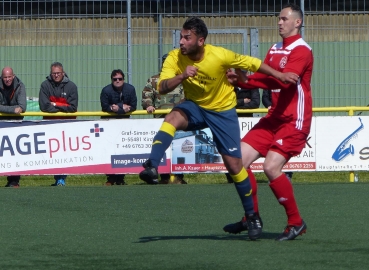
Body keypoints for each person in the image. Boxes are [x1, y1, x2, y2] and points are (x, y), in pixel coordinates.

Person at [138, 17, 298, 241]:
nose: (181, 42)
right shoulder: (175, 57)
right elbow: (162, 88)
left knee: (234, 166)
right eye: (181, 37)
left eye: (187, 38)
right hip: (195, 106)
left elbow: (252, 63)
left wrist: (280, 75)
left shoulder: (220, 55)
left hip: (222, 112)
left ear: (200, 41)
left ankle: (252, 216)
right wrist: (182, 76)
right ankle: (152, 165)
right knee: (172, 116)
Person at [224, 3, 312, 241]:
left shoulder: (302, 50)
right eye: (278, 19)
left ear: (297, 22)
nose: (279, 22)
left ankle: (296, 222)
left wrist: (248, 81)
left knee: (271, 167)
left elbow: (284, 82)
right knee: (237, 162)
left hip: (294, 120)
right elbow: (264, 76)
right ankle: (251, 216)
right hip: (273, 117)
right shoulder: (275, 48)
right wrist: (242, 79)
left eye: (284, 19)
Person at [142, 54, 186, 184]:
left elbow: (190, 95)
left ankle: (179, 177)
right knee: (161, 147)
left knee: (180, 147)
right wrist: (148, 105)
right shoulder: (155, 80)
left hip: (180, 119)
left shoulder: (181, 79)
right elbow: (147, 95)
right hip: (161, 120)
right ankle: (164, 176)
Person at [39, 62, 78, 186]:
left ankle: (62, 178)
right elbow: (44, 106)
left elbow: (72, 107)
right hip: (50, 125)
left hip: (67, 125)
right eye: (54, 73)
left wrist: (54, 104)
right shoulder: (45, 85)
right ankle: (57, 177)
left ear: (63, 73)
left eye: (58, 73)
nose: (56, 75)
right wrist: (63, 106)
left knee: (65, 153)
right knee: (52, 153)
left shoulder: (71, 86)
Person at [100, 69, 137, 185]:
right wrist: (122, 107)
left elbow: (134, 105)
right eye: (115, 79)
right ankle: (110, 178)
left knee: (123, 150)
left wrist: (118, 108)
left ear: (123, 79)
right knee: (110, 150)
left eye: (120, 79)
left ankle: (121, 178)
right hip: (110, 123)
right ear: (111, 80)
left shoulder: (130, 89)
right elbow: (105, 106)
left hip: (124, 124)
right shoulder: (106, 90)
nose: (117, 81)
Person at [225, 85, 260, 183]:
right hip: (230, 120)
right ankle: (231, 175)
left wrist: (236, 103)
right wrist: (242, 101)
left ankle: (246, 175)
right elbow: (226, 102)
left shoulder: (252, 84)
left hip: (247, 123)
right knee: (231, 148)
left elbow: (255, 103)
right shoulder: (229, 84)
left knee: (247, 150)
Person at [0, 67, 27, 187]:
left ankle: (14, 181)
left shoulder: (20, 86)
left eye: (9, 77)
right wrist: (13, 110)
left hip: (16, 125)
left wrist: (5, 109)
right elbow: (16, 109)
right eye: (5, 77)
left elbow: (22, 107)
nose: (7, 79)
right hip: (1, 124)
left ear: (13, 76)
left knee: (14, 153)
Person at [262, 89, 293, 181]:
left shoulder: (289, 80)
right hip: (273, 118)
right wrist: (269, 105)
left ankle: (286, 173)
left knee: (284, 148)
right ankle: (274, 173)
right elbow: (264, 97)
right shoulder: (271, 79)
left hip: (287, 119)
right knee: (272, 149)